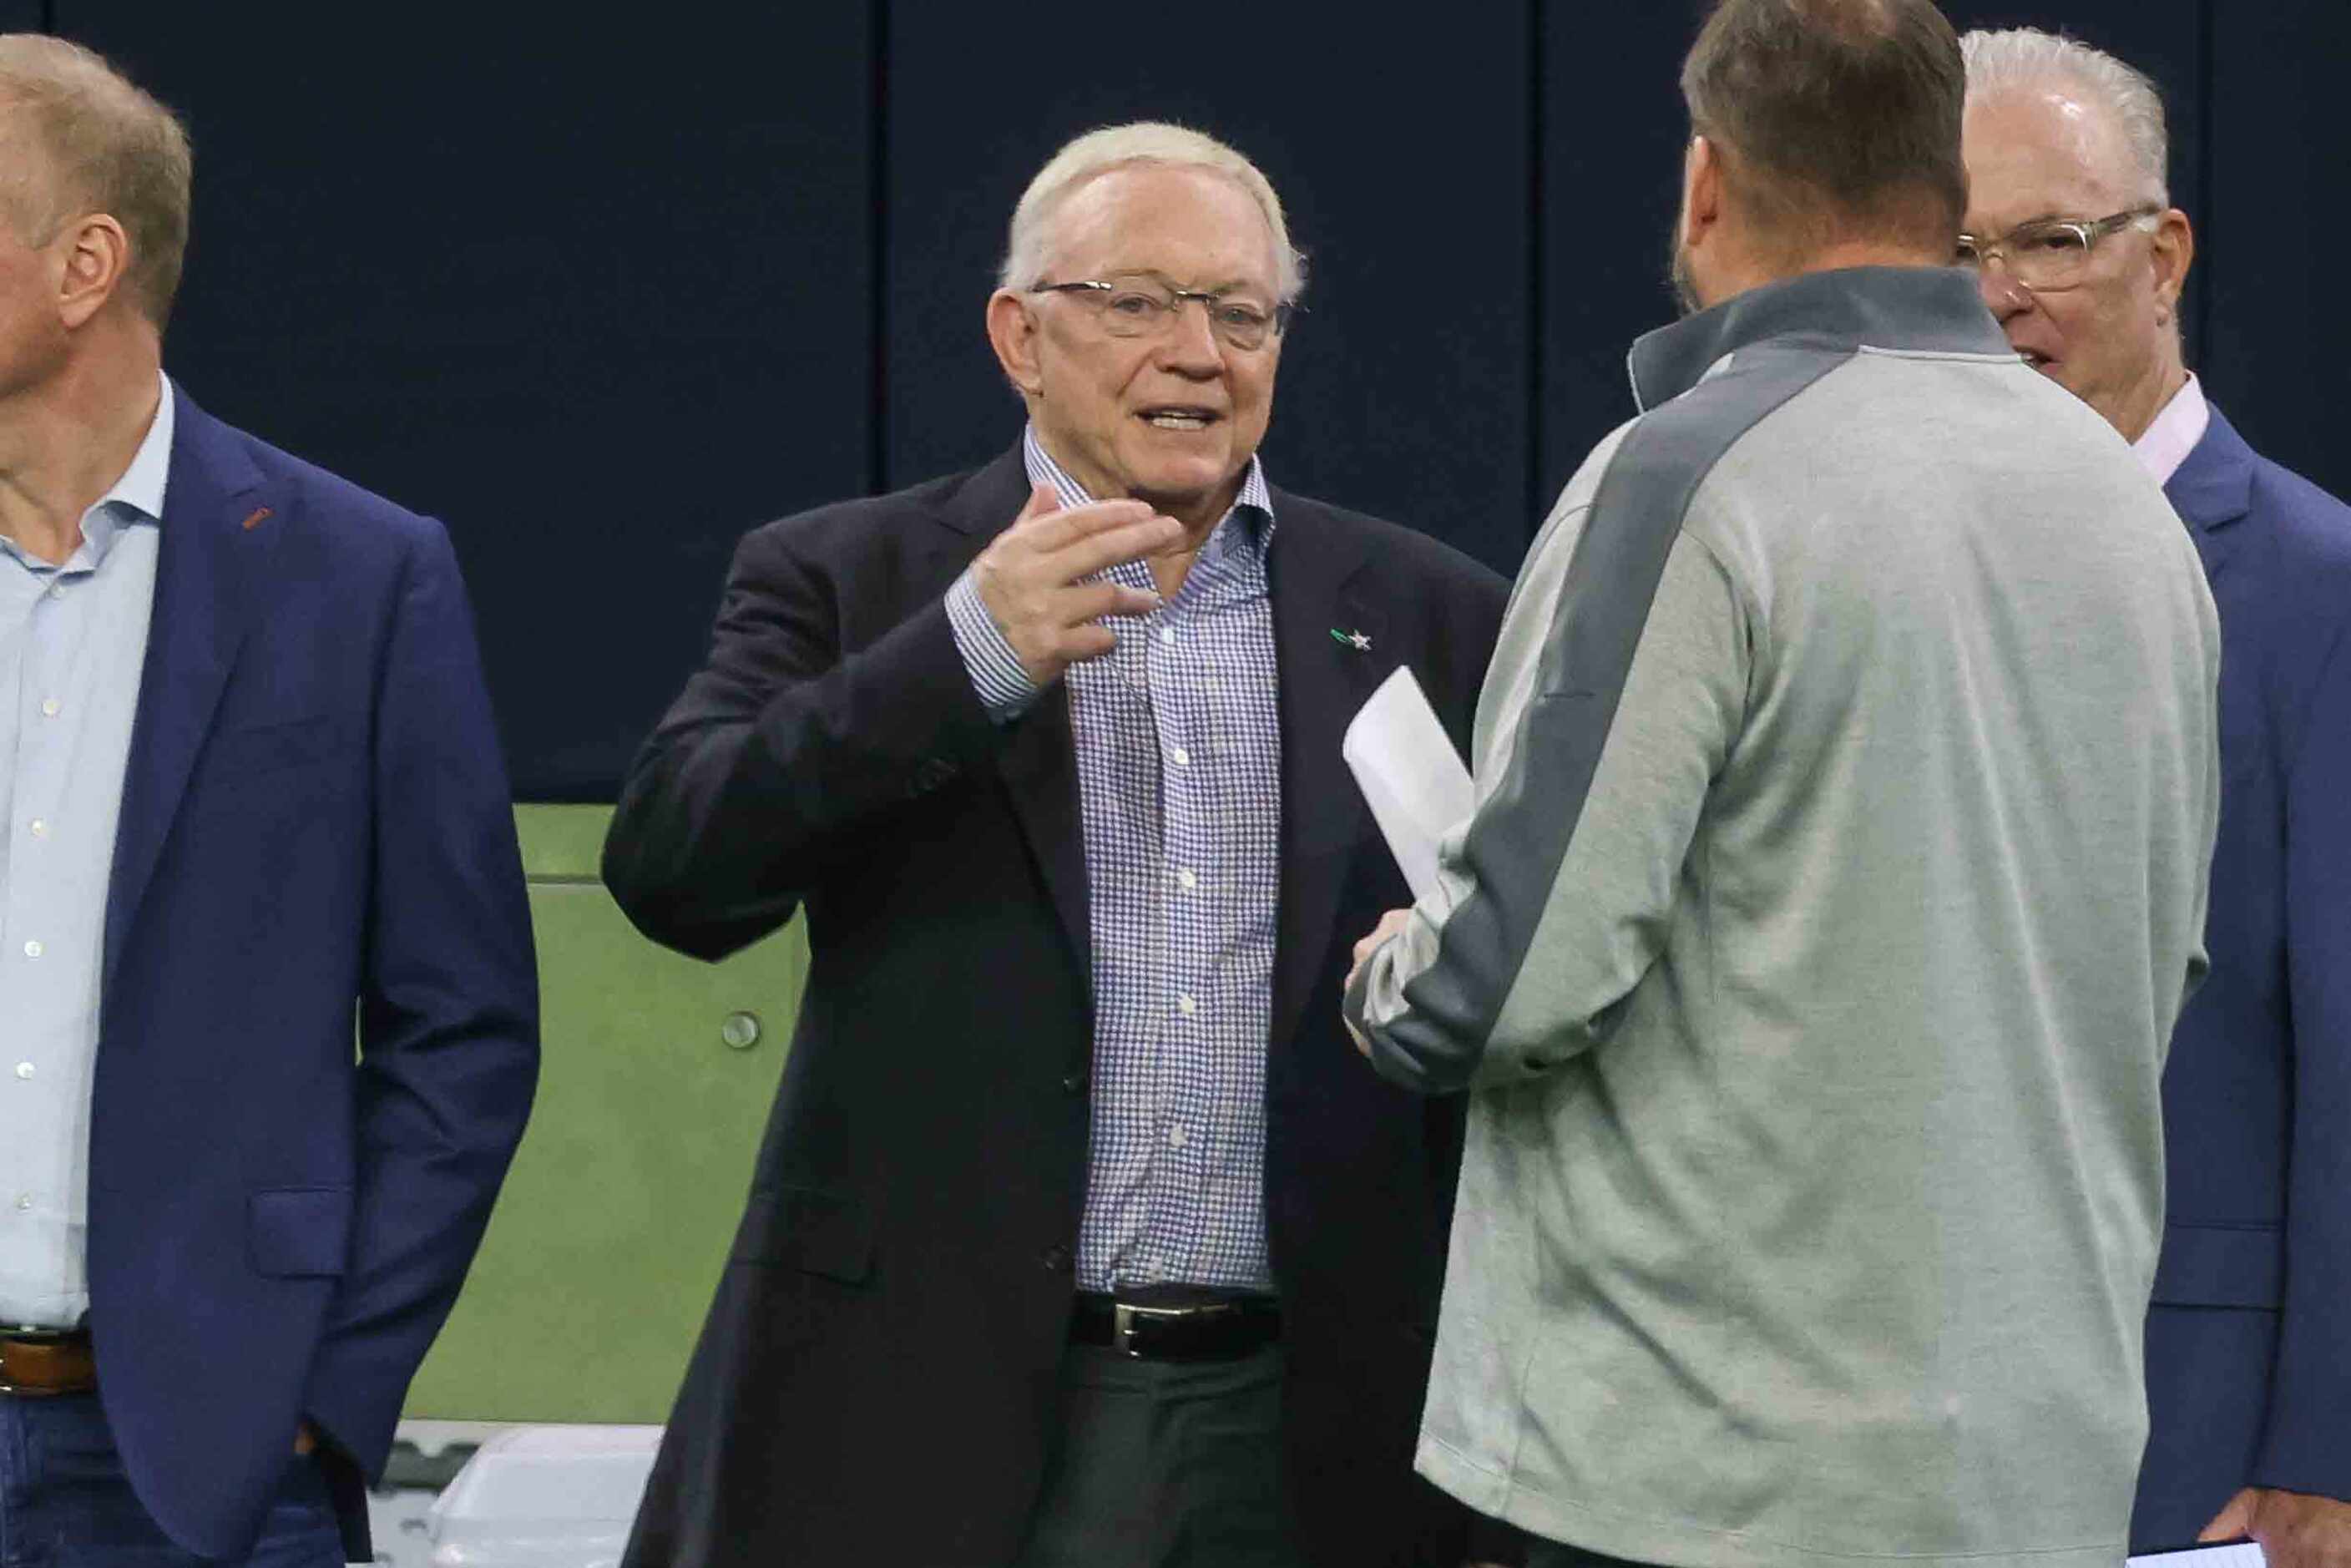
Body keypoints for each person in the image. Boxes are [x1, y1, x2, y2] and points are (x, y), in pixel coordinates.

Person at [1342, 3, 2221, 1565]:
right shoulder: (2129, 505)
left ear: (1704, 183)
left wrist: (1393, 975)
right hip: (2036, 1473)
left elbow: (1507, 985)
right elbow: (2154, 976)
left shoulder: (1685, 474)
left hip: (1706, 1483)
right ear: (1939, 186)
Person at [604, 122, 1514, 1567]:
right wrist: (966, 654)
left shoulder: (1432, 612)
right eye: (1138, 303)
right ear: (1020, 337)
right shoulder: (853, 578)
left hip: (1326, 1423)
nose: (1198, 352)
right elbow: (674, 867)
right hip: (939, 1413)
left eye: (1240, 313)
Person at [0, 33, 538, 1566]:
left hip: (201, 1465)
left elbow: (466, 1029)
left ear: (85, 262)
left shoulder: (358, 575)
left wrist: (326, 1390)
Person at [1960, 29, 2351, 1564]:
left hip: (2205, 1443)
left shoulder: (2320, 590)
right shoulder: (1902, 573)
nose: (1998, 297)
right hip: (1908, 1438)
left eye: (2048, 242)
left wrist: (2331, 1442)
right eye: (1957, 252)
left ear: (2164, 251)